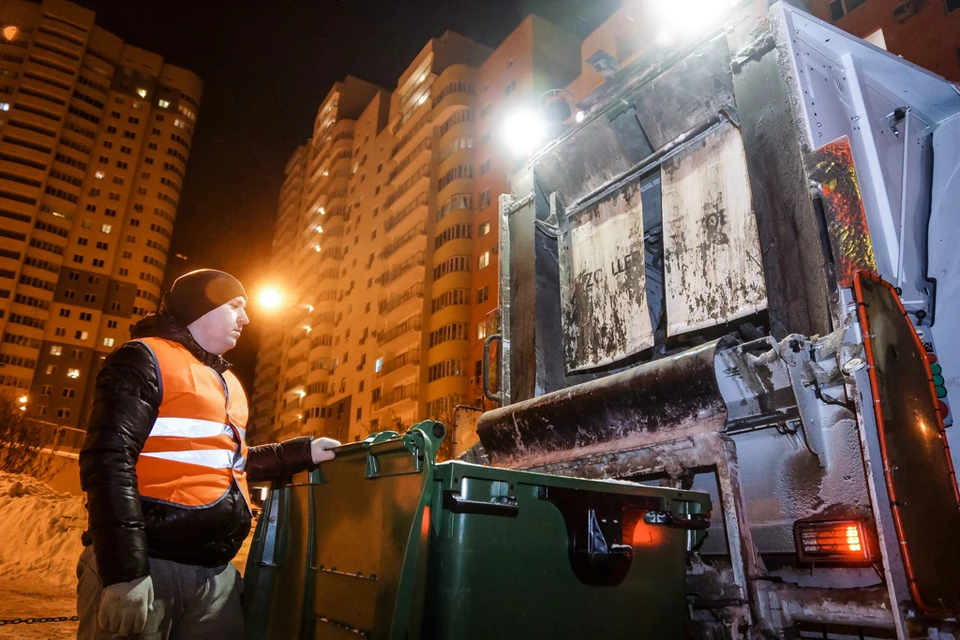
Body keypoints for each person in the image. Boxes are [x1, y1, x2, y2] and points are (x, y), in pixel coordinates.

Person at [77, 269, 340, 639]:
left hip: (213, 574)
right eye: (235, 306)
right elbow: (107, 461)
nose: (245, 319)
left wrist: (303, 452)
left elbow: (232, 462)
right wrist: (124, 572)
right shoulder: (143, 357)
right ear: (200, 308)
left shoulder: (226, 380)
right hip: (150, 567)